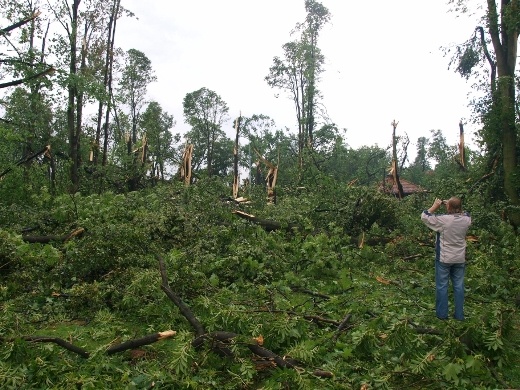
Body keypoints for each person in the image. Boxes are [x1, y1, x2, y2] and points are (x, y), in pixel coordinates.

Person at [421, 197, 471, 320]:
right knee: (459, 286)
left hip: (444, 258)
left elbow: (424, 216)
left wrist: (435, 206)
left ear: (448, 207)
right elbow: (465, 213)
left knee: (442, 286)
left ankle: (442, 315)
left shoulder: (443, 220)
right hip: (459, 258)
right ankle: (459, 315)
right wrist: (451, 205)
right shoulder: (467, 220)